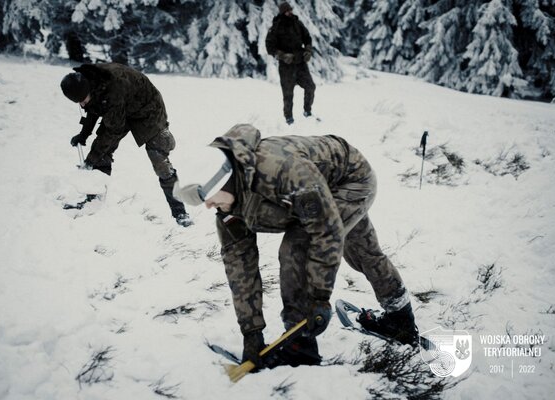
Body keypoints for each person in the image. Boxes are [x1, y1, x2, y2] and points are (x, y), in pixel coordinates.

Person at [174, 124, 418, 369]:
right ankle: (400, 320)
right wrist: (252, 333)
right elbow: (240, 266)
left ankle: (300, 343)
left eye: (210, 198)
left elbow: (325, 232)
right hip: (309, 191)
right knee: (361, 249)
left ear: (224, 183)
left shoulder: (280, 169)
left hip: (349, 178)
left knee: (298, 248)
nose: (209, 206)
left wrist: (319, 299)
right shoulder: (227, 207)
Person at [60, 63, 192, 227]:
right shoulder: (91, 81)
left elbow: (112, 130)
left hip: (148, 109)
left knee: (158, 158)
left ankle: (180, 213)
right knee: (102, 151)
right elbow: (94, 107)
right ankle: (93, 202)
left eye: (82, 100)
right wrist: (84, 134)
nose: (81, 105)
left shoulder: (112, 89)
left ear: (88, 90)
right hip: (123, 107)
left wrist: (90, 161)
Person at [265, 2, 316, 125]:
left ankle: (307, 112)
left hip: (300, 63)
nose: (290, 12)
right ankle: (289, 118)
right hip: (286, 66)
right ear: (283, 12)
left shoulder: (297, 23)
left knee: (310, 87)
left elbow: (307, 38)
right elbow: (269, 47)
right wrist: (282, 56)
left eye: (291, 10)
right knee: (288, 93)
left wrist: (308, 50)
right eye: (287, 11)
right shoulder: (276, 27)